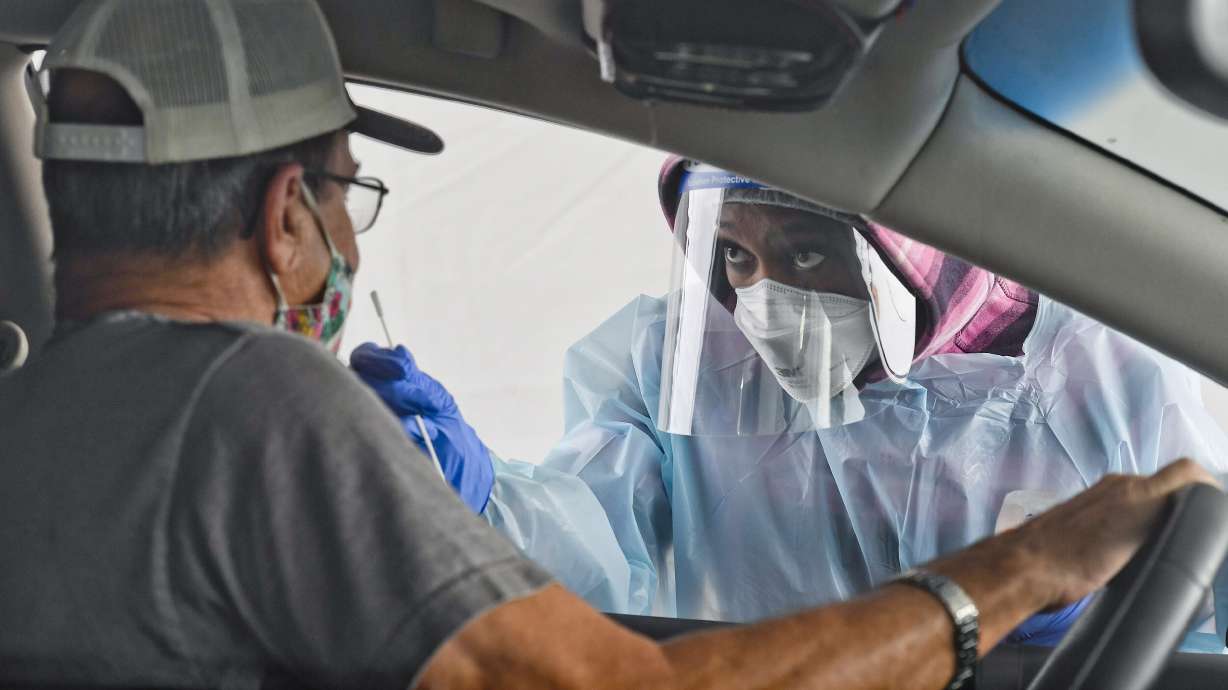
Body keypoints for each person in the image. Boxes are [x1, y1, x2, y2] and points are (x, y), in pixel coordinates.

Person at [0, 2, 1221, 688]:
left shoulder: (34, 420)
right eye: (346, 201)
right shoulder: (253, 399)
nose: (351, 257)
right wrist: (1017, 573)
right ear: (285, 219)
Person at [354, 158, 1228, 647]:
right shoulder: (683, 365)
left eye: (807, 253)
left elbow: (1203, 613)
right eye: (735, 256)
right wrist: (471, 505)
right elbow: (590, 546)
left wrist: (1115, 613)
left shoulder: (1112, 370)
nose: (762, 300)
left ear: (923, 247)